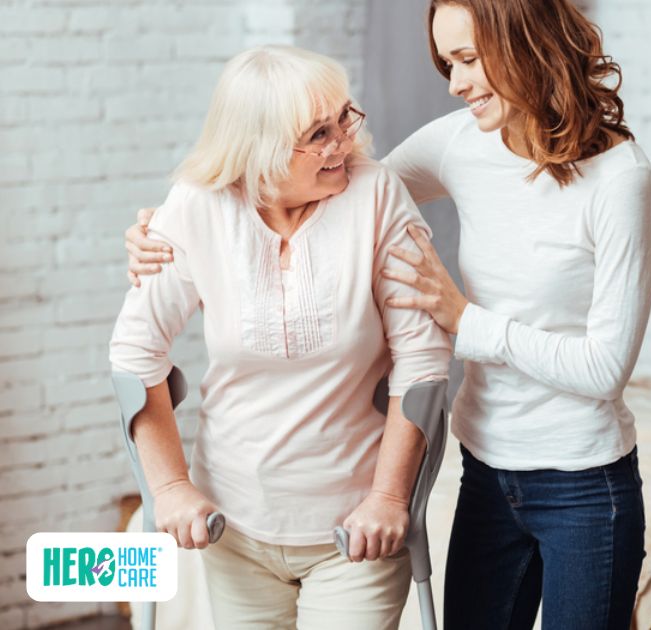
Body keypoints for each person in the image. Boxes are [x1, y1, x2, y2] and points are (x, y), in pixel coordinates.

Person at [125, 1, 651, 627]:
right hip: (486, 469)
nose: (455, 85)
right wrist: (167, 228)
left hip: (583, 479)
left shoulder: (621, 178)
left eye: (466, 60)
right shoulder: (459, 142)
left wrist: (463, 319)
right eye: (446, 64)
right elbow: (345, 186)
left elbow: (605, 370)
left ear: (525, 45)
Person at [110, 45, 450, 629]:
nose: (342, 142)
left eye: (345, 118)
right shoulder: (198, 207)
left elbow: (422, 362)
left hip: (354, 530)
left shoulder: (376, 196)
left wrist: (390, 500)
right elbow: (135, 353)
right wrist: (169, 487)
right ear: (259, 149)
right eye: (318, 133)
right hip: (234, 524)